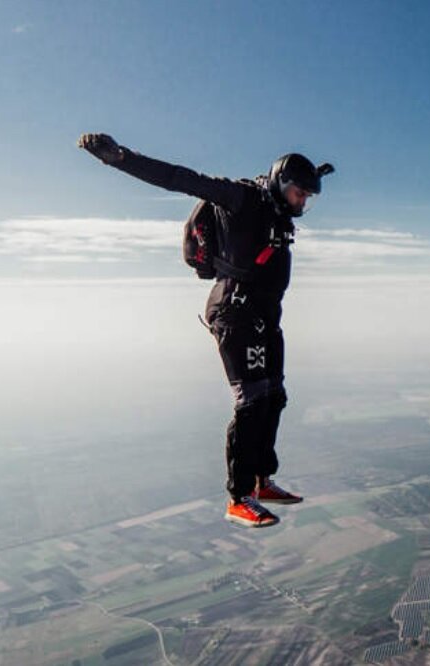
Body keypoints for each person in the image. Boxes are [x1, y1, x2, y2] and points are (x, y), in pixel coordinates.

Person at [78, 133, 333, 528]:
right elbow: (179, 177)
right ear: (282, 183)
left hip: (265, 316)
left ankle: (263, 481)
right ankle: (238, 497)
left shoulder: (277, 208)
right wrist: (119, 158)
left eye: (307, 197)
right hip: (236, 313)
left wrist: (315, 175)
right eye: (300, 193)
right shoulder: (240, 198)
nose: (303, 203)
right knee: (250, 401)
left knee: (273, 397)